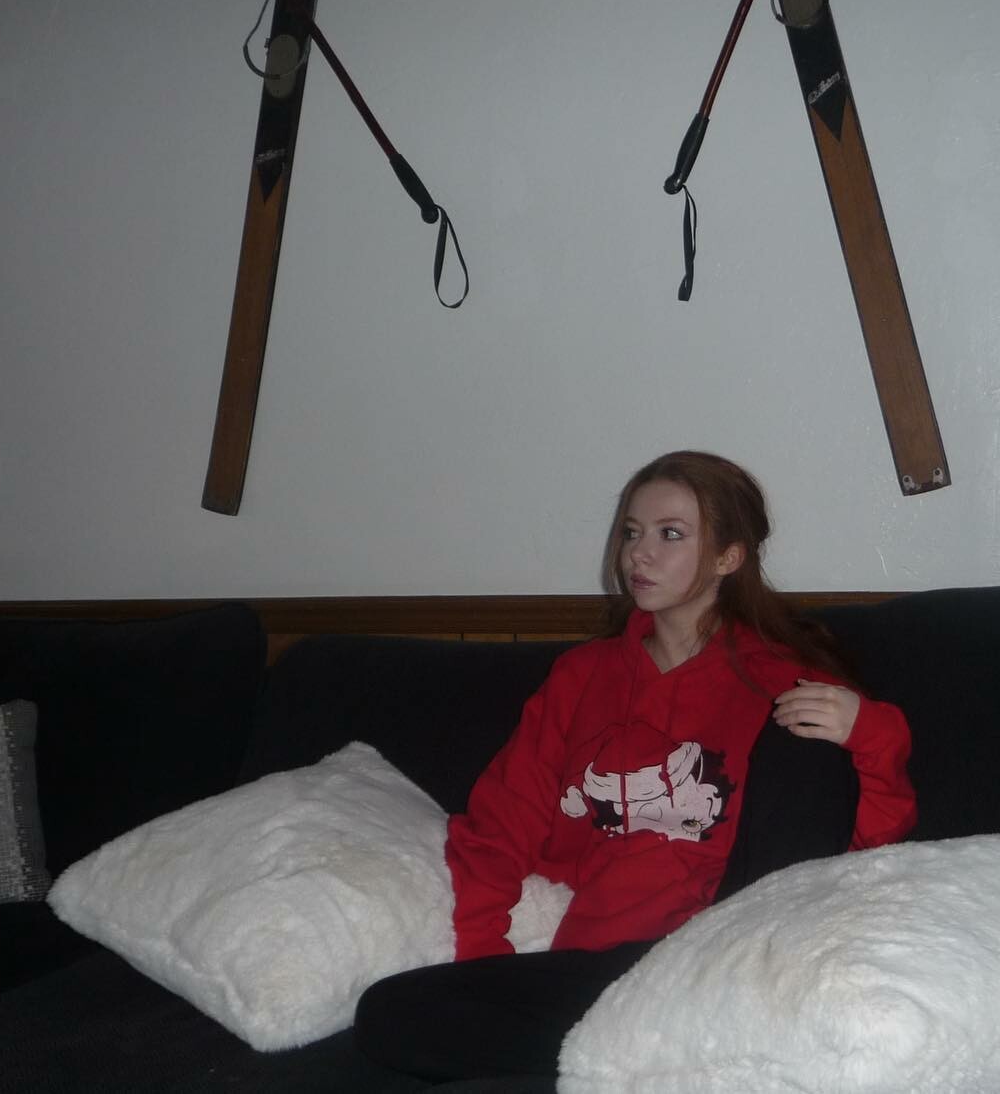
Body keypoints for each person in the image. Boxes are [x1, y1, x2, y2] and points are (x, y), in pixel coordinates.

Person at [354, 450, 915, 1081]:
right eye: (631, 532)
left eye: (670, 534)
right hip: (601, 972)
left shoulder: (785, 681)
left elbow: (858, 852)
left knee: (807, 737)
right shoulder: (581, 677)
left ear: (728, 558)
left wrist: (871, 732)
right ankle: (666, 1061)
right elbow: (501, 825)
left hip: (727, 957)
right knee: (391, 1013)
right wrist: (486, 959)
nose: (638, 554)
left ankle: (688, 1045)